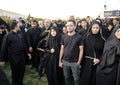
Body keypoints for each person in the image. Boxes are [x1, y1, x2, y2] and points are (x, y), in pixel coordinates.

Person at [59, 20, 84, 85]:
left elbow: (81, 50)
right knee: (67, 78)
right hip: (65, 61)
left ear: (75, 27)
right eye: (67, 26)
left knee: (76, 78)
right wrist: (60, 61)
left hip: (75, 62)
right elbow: (62, 49)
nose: (69, 27)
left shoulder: (79, 37)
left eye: (71, 25)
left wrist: (79, 62)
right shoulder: (63, 37)